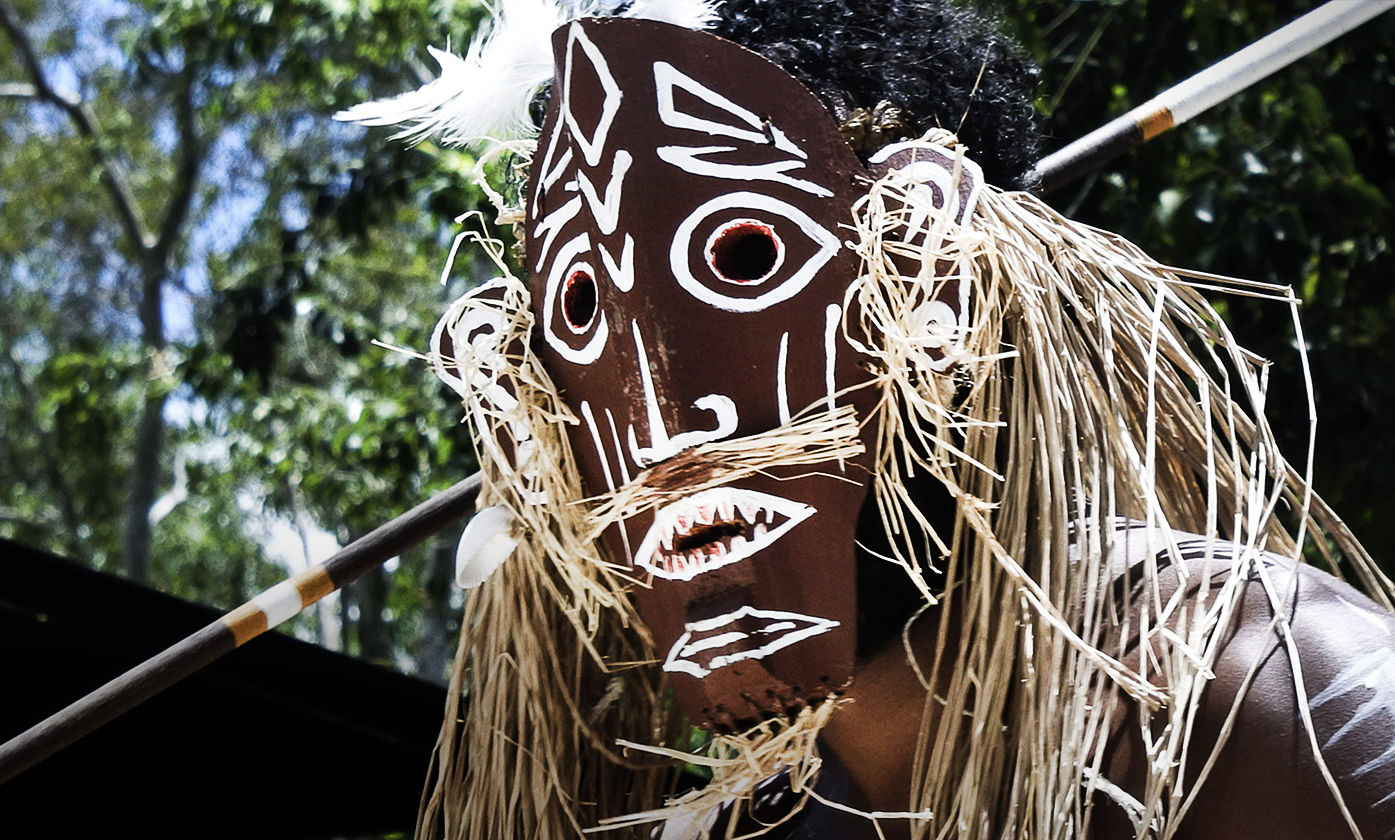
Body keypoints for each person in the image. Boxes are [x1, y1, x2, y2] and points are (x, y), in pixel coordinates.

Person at [340, 1, 1395, 837]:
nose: (669, 433)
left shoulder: (1272, 698)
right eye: (583, 317)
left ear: (936, 281)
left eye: (740, 260)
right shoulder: (737, 825)